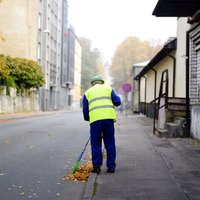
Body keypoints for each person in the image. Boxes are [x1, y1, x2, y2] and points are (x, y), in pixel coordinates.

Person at [82, 75, 121, 174]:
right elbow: (117, 102)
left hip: (95, 121)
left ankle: (96, 167)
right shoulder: (108, 89)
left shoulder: (88, 92)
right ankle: (111, 167)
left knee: (96, 144)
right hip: (108, 120)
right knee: (110, 143)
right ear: (101, 82)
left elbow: (85, 111)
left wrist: (89, 119)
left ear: (92, 83)